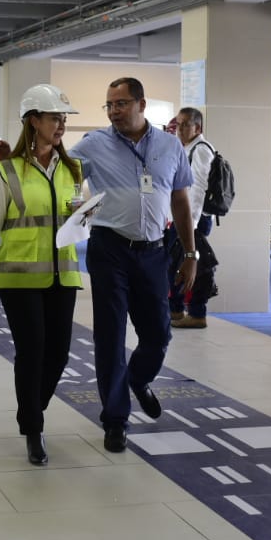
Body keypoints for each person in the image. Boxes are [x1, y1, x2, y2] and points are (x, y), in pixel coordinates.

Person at [69, 78, 196, 453]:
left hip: (154, 252)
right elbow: (61, 168)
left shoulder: (171, 146)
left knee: (158, 334)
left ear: (142, 104)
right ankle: (115, 420)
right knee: (110, 337)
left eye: (121, 104)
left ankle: (138, 380)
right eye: (109, 105)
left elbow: (181, 202)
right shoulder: (93, 144)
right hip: (109, 250)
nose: (113, 111)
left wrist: (190, 254)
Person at [0, 86, 81, 466]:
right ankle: (34, 429)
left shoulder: (73, 169)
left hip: (62, 276)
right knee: (32, 352)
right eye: (54, 118)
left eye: (64, 119)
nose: (61, 125)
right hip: (19, 278)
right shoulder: (7, 171)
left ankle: (30, 411)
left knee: (59, 355)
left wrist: (85, 216)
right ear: (33, 121)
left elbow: (79, 219)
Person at [168, 107, 218, 329]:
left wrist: (191, 223)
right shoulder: (186, 148)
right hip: (183, 218)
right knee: (175, 264)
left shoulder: (201, 150)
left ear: (197, 127)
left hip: (193, 219)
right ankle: (176, 310)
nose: (179, 129)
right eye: (177, 124)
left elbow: (197, 188)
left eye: (185, 124)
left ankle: (197, 313)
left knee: (195, 267)